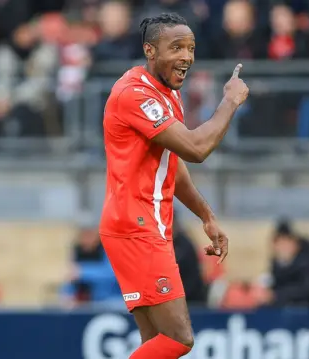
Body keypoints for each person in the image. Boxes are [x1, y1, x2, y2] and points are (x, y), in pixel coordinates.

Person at [98, 12, 249, 359]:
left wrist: (206, 216)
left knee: (155, 344)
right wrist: (230, 101)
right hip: (136, 226)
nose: (187, 57)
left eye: (191, 48)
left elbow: (174, 165)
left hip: (145, 225)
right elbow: (196, 149)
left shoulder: (165, 93)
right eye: (176, 47)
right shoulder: (135, 96)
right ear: (150, 51)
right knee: (180, 339)